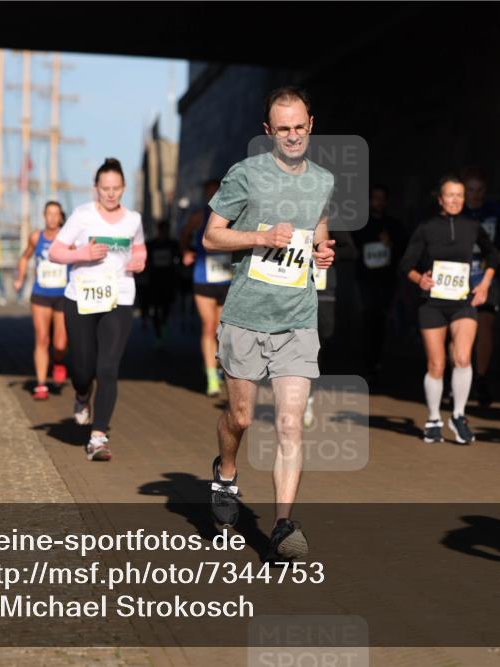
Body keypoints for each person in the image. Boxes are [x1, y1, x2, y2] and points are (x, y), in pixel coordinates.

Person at [203, 86, 335, 562]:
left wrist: (322, 250)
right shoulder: (246, 174)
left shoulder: (322, 181)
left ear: (311, 125)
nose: (293, 135)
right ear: (268, 131)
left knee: (289, 424)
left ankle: (281, 526)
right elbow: (211, 237)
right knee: (241, 417)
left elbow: (318, 231)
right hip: (246, 316)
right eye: (283, 129)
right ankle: (226, 472)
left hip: (298, 319)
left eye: (300, 126)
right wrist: (261, 237)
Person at [48, 158, 146, 461]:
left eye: (116, 188)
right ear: (96, 188)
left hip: (119, 297)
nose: (111, 194)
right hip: (82, 297)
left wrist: (139, 260)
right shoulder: (82, 216)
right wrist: (82, 253)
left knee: (108, 368)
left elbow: (139, 248)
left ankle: (98, 437)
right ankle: (82, 394)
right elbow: (55, 251)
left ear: (124, 188)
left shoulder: (133, 219)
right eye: (105, 188)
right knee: (82, 368)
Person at [399, 175, 497, 445]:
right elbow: (406, 264)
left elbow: (493, 255)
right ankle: (433, 419)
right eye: (450, 195)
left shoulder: (473, 226)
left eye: (459, 195)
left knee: (463, 358)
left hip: (462, 303)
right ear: (440, 199)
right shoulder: (426, 228)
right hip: (432, 304)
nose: (455, 200)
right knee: (437, 364)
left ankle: (458, 415)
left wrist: (484, 285)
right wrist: (420, 279)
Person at [461, 167, 500, 407]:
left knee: (485, 325)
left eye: (480, 190)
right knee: (458, 329)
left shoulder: (496, 213)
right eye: (471, 190)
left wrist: (499, 256)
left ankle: (480, 379)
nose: (475, 195)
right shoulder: (455, 210)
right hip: (458, 277)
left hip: (485, 277)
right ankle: (456, 377)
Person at [13, 201, 70, 400]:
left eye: (56, 214)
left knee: (60, 344)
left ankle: (59, 362)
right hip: (41, 295)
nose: (52, 218)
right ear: (44, 216)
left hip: (63, 295)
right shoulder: (36, 237)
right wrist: (19, 279)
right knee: (42, 339)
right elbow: (24, 257)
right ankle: (41, 384)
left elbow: (79, 258)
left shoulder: (68, 237)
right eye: (49, 214)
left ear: (61, 217)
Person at [180, 178, 230, 396]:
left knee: (221, 329)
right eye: (209, 193)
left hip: (227, 279)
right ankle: (211, 378)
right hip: (203, 277)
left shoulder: (234, 216)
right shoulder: (200, 216)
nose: (213, 196)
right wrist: (185, 251)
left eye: (216, 192)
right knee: (208, 326)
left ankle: (216, 363)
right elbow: (184, 234)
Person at [351, 185, 404, 381]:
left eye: (382, 198)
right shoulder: (360, 225)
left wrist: (391, 243)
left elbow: (405, 249)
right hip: (366, 280)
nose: (378, 202)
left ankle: (377, 361)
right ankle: (367, 363)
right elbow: (351, 247)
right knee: (368, 318)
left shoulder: (393, 225)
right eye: (375, 198)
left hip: (386, 280)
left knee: (381, 320)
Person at [145, 220, 180, 346]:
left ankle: (164, 325)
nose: (164, 233)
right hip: (154, 281)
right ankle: (158, 333)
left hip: (168, 281)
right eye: (162, 230)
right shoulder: (151, 245)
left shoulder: (173, 244)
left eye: (166, 230)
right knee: (154, 309)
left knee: (166, 307)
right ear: (158, 230)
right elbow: (146, 261)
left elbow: (179, 259)